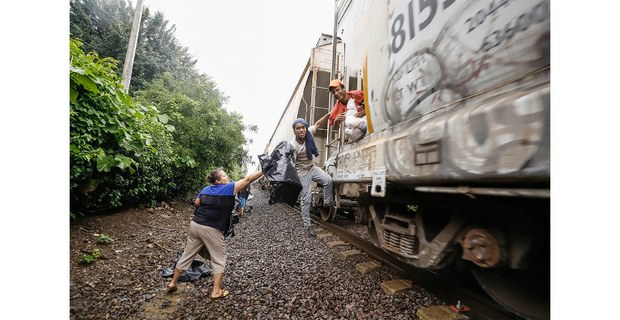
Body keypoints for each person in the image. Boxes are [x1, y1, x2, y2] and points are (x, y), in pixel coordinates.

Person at [166, 167, 263, 298]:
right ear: (218, 181)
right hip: (211, 228)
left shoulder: (205, 189)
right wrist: (265, 168)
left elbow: (197, 203)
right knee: (219, 258)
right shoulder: (229, 188)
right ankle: (216, 291)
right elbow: (248, 179)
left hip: (195, 225)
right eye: (224, 176)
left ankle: (173, 283)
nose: (227, 177)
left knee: (188, 254)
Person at [290, 118, 335, 238]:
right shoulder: (293, 146)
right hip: (302, 172)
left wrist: (330, 114)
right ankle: (307, 225)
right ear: (294, 131)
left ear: (305, 128)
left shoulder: (309, 132)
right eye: (298, 128)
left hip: (312, 168)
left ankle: (327, 201)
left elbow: (317, 124)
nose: (301, 130)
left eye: (302, 127)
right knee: (306, 200)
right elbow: (292, 165)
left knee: (328, 180)